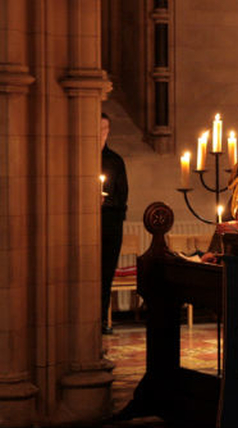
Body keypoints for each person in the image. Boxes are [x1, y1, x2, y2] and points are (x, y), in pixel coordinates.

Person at [100, 112, 128, 335]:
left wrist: (104, 201)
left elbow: (122, 197)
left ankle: (100, 320)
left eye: (105, 129)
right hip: (87, 226)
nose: (101, 134)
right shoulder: (79, 157)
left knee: (105, 275)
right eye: (97, 129)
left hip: (110, 225)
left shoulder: (114, 160)